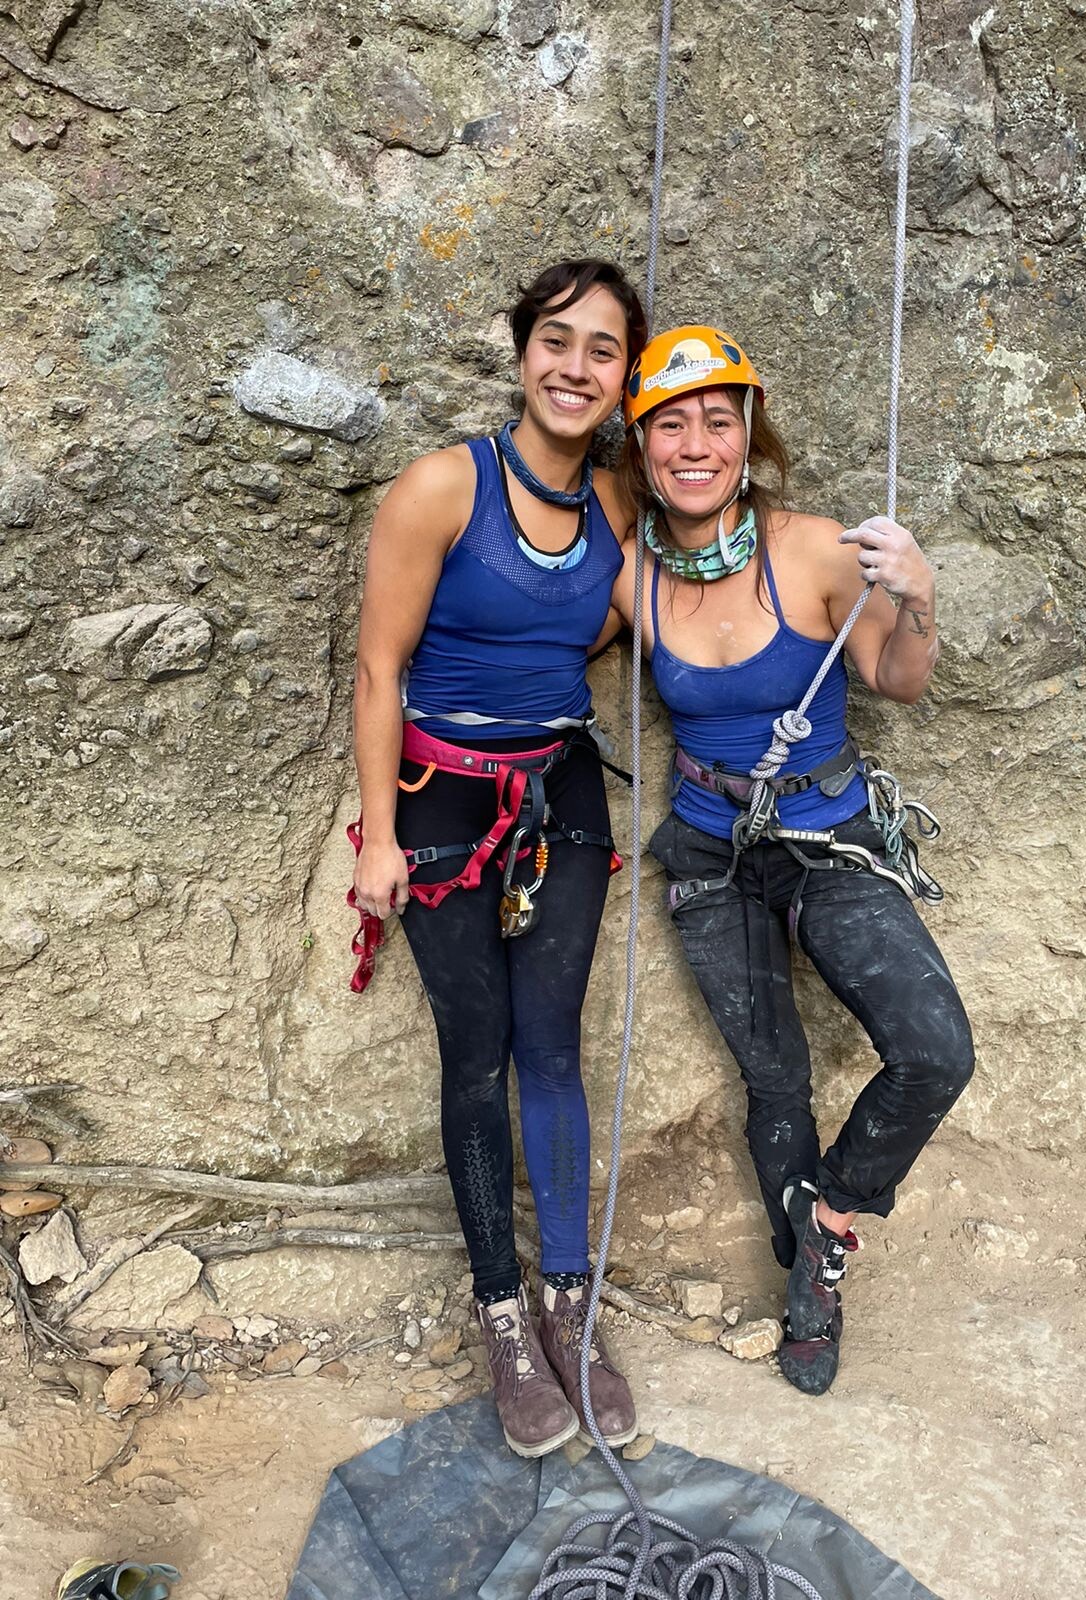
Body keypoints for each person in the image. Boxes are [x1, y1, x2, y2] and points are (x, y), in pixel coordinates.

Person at [612, 325, 975, 1395]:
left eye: (716, 421)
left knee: (933, 1047)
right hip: (710, 849)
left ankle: (828, 1220)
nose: (695, 443)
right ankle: (804, 1275)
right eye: (670, 424)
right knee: (774, 1077)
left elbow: (900, 680)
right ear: (641, 448)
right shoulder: (631, 577)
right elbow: (535, 616)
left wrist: (918, 594)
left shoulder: (815, 549)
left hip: (826, 837)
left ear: (747, 435)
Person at [351, 260, 646, 1456]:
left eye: (604, 350)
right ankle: (502, 1316)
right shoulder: (441, 489)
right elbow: (380, 668)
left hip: (559, 788)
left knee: (551, 1049)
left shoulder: (617, 507)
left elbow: (628, 612)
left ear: (625, 376)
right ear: (522, 351)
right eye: (557, 341)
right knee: (475, 1056)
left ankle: (569, 1302)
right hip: (439, 803)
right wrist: (377, 834)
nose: (576, 367)